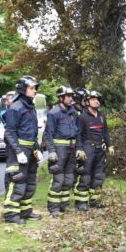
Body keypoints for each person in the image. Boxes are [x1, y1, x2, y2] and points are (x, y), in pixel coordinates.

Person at [2, 76, 43, 224]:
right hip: (18, 152)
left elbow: (32, 132)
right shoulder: (15, 107)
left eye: (35, 88)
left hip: (30, 150)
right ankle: (11, 215)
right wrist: (18, 151)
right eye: (32, 88)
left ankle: (25, 211)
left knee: (30, 182)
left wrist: (37, 149)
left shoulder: (30, 107)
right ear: (22, 89)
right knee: (17, 181)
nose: (35, 91)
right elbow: (9, 132)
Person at [75, 90, 113, 210]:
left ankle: (95, 200)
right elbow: (79, 134)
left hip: (100, 150)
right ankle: (81, 202)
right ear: (87, 102)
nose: (96, 101)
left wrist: (109, 145)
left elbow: (105, 132)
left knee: (99, 176)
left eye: (97, 99)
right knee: (85, 175)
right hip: (87, 149)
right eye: (93, 99)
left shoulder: (101, 116)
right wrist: (80, 149)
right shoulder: (82, 117)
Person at [44, 86, 79, 217]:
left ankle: (64, 206)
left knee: (69, 179)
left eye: (71, 96)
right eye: (68, 96)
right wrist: (51, 151)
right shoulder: (54, 113)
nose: (71, 98)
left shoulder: (73, 112)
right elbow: (48, 134)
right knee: (58, 180)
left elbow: (77, 132)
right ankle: (53, 208)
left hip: (71, 150)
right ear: (60, 98)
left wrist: (78, 148)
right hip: (59, 151)